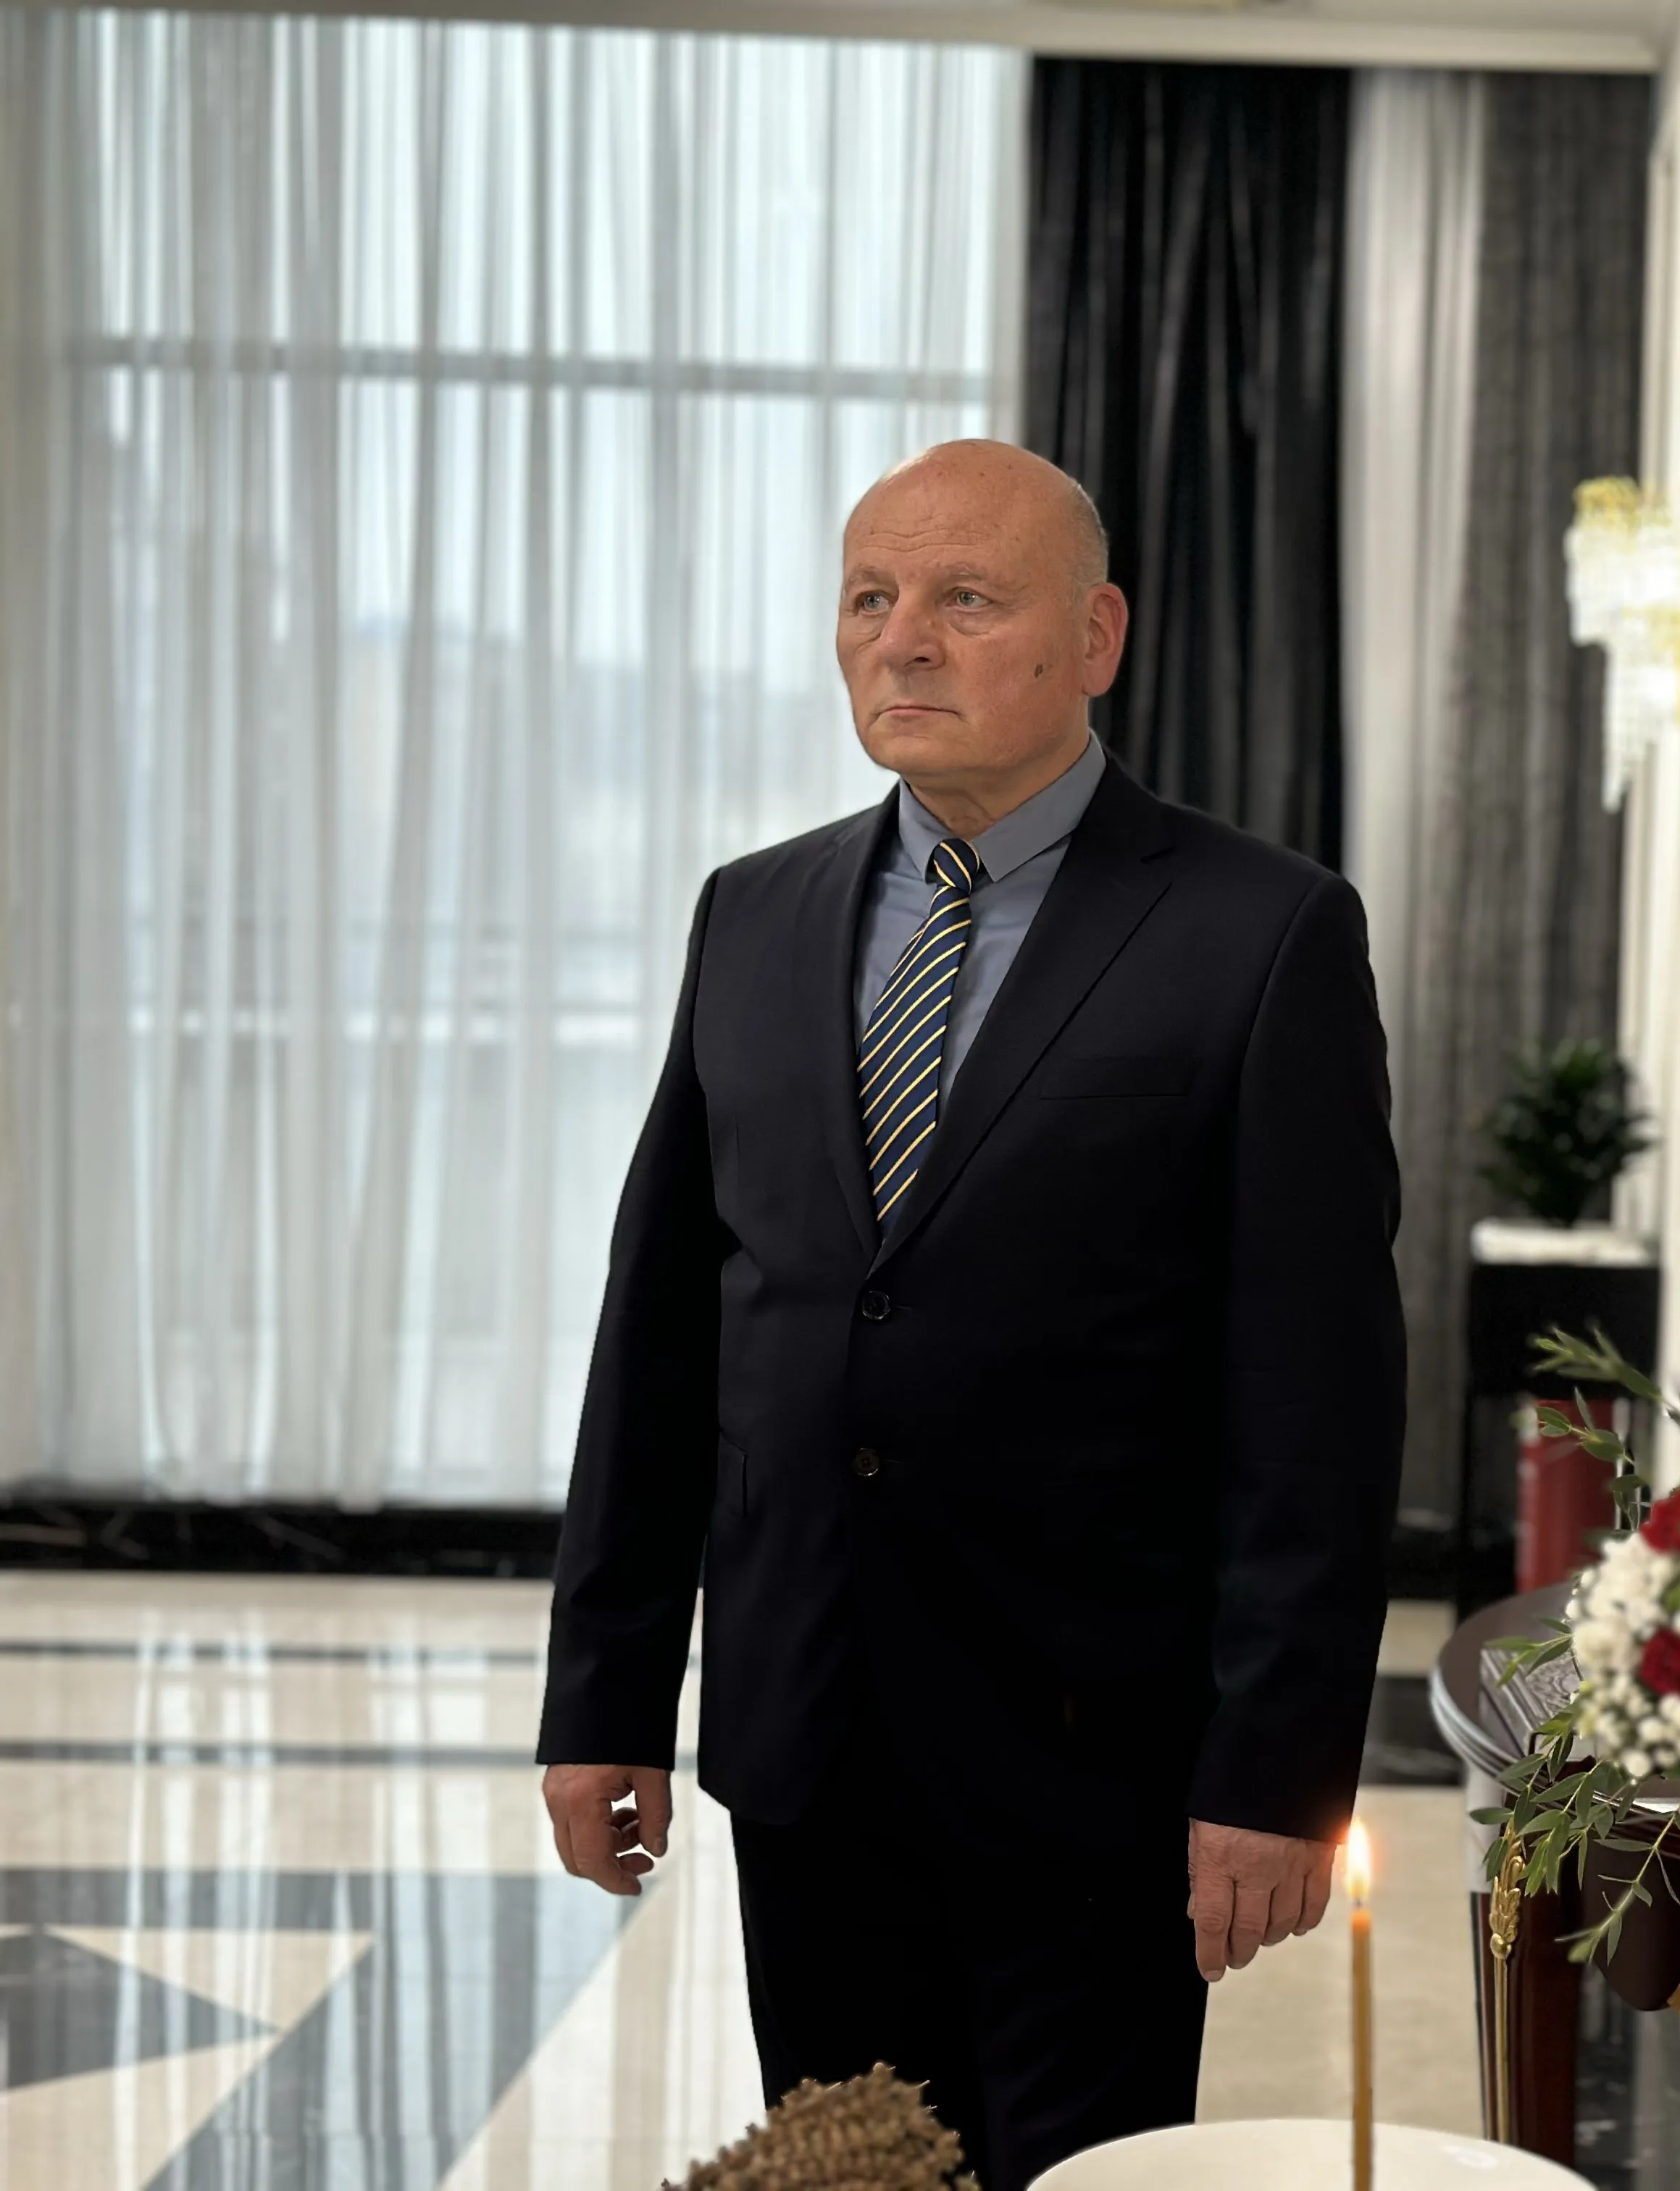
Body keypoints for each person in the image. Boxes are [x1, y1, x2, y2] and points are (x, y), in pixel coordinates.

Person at [532, 441, 1405, 2190]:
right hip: (806, 1731)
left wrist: (1276, 1770)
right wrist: (605, 1691)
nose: (903, 640)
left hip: (1097, 1761)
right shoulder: (752, 913)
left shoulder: (1263, 933)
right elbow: (665, 1334)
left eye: (966, 600)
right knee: (845, 2164)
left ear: (1097, 637)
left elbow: (1316, 1397)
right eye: (871, 598)